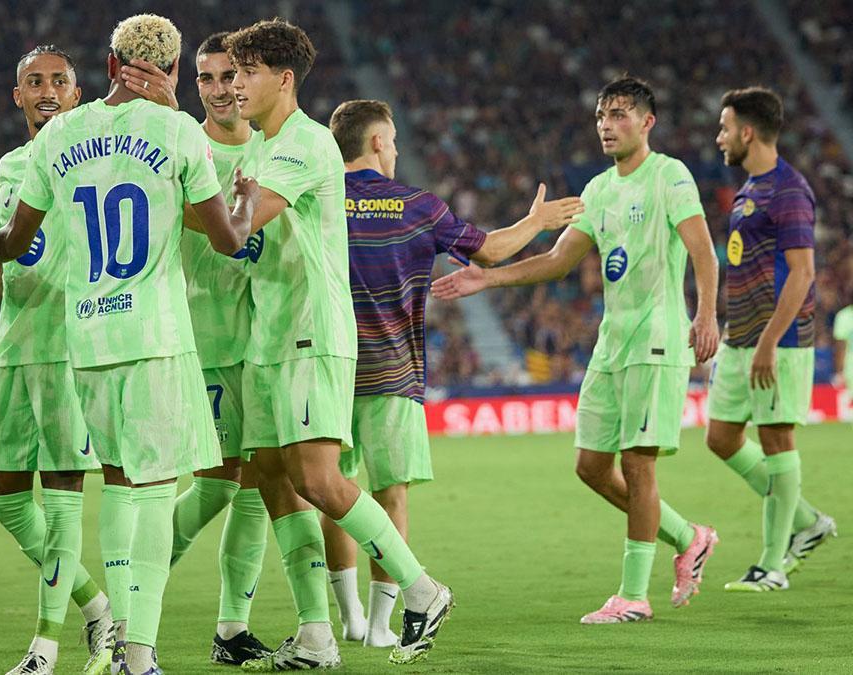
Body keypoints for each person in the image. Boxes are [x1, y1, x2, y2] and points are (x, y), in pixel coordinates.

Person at [0, 14, 258, 675]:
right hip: (153, 335)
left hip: (86, 339)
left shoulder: (62, 132)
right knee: (149, 489)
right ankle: (138, 653)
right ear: (172, 70)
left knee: (119, 485)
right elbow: (229, 239)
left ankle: (117, 637)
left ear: (112, 63)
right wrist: (242, 198)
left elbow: (13, 241)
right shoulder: (178, 129)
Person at [208, 20, 452, 669]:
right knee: (271, 479)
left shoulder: (303, 144)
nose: (235, 86)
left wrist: (180, 195)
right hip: (271, 334)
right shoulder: (261, 148)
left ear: (283, 80)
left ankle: (423, 589)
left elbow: (235, 232)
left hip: (311, 332)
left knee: (316, 475)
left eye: (247, 72)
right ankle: (316, 632)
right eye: (232, 73)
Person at [434, 76, 721, 624]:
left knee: (638, 466)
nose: (607, 126)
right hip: (612, 342)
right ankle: (689, 536)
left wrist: (705, 313)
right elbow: (557, 261)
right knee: (591, 467)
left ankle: (633, 596)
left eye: (619, 115)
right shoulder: (598, 190)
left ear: (647, 122)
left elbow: (702, 250)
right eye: (601, 116)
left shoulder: (670, 176)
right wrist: (487, 279)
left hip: (658, 336)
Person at [321, 99, 583, 647]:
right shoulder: (417, 206)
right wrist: (535, 222)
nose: (394, 150)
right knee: (389, 495)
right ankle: (377, 627)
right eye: (391, 142)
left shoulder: (315, 196)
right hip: (393, 372)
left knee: (333, 490)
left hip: (325, 369)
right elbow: (491, 251)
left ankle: (343, 619)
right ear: (376, 143)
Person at [0, 44, 113, 675]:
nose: (47, 90)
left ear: (79, 92)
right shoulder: (11, 164)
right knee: (4, 493)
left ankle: (44, 648)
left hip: (72, 343)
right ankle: (98, 608)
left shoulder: (94, 155)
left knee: (64, 493)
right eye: (34, 81)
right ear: (16, 95)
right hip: (19, 345)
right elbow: (4, 270)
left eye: (59, 81)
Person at [117, 31, 274, 666]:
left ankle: (232, 629)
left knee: (258, 486)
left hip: (263, 341)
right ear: (193, 84)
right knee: (217, 482)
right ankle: (132, 603)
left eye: (230, 76)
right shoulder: (179, 141)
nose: (220, 89)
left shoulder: (273, 146)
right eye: (206, 78)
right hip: (200, 337)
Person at [709, 86, 836, 591]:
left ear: (747, 131)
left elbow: (803, 274)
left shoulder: (789, 189)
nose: (718, 138)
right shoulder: (747, 189)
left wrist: (767, 341)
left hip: (777, 344)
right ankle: (806, 521)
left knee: (776, 440)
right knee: (720, 437)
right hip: (739, 339)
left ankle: (771, 565)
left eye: (724, 128)